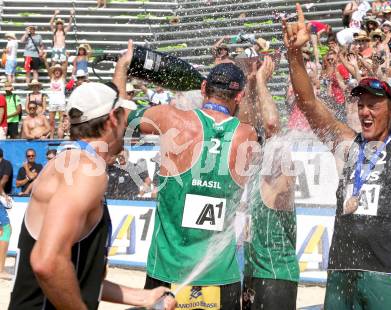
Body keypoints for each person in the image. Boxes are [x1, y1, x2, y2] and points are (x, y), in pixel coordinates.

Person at [283, 1, 391, 308]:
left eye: (373, 104)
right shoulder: (348, 145)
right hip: (340, 271)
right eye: (360, 103)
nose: (364, 110)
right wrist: (294, 55)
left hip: (386, 274)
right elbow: (308, 104)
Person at [8, 41, 176, 309]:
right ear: (112, 119)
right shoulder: (85, 170)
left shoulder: (73, 161)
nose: (129, 125)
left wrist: (141, 297)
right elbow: (46, 262)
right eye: (124, 117)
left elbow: (73, 279)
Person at [127, 59, 257, 308]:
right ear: (238, 96)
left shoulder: (171, 118)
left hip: (168, 271)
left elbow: (123, 121)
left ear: (204, 88)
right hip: (220, 275)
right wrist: (253, 81)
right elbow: (258, 124)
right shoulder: (246, 135)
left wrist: (124, 71)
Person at [241, 57, 299, 310]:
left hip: (276, 276)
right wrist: (251, 85)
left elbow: (273, 125)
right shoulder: (256, 171)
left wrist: (263, 81)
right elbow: (244, 125)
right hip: (254, 274)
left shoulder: (281, 164)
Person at [0, 148, 13, 279]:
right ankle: (1, 270)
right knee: (6, 230)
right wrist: (4, 194)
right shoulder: (5, 164)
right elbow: (1, 183)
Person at [47, 64, 66, 139]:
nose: (57, 71)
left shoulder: (62, 78)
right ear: (54, 72)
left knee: (61, 122)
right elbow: (48, 69)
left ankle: (60, 138)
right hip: (52, 102)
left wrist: (67, 58)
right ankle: (51, 138)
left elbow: (65, 69)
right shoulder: (51, 78)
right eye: (56, 70)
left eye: (59, 70)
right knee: (51, 122)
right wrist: (45, 60)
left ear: (60, 72)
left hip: (61, 102)